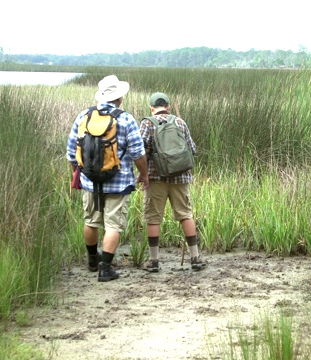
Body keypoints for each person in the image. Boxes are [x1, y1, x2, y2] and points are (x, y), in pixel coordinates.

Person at [67, 75, 149, 282]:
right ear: (119, 98)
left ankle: (93, 261)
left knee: (91, 221)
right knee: (113, 225)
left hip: (89, 181)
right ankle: (105, 268)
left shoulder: (83, 116)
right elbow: (138, 153)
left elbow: (71, 152)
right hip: (118, 182)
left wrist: (78, 174)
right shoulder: (126, 118)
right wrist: (144, 175)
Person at [139, 92, 207, 272]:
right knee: (185, 214)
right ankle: (195, 257)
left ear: (152, 108)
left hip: (155, 178)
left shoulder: (147, 123)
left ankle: (153, 261)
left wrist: (143, 174)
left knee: (153, 217)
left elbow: (141, 151)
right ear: (168, 106)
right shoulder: (179, 122)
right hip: (180, 177)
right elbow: (192, 149)